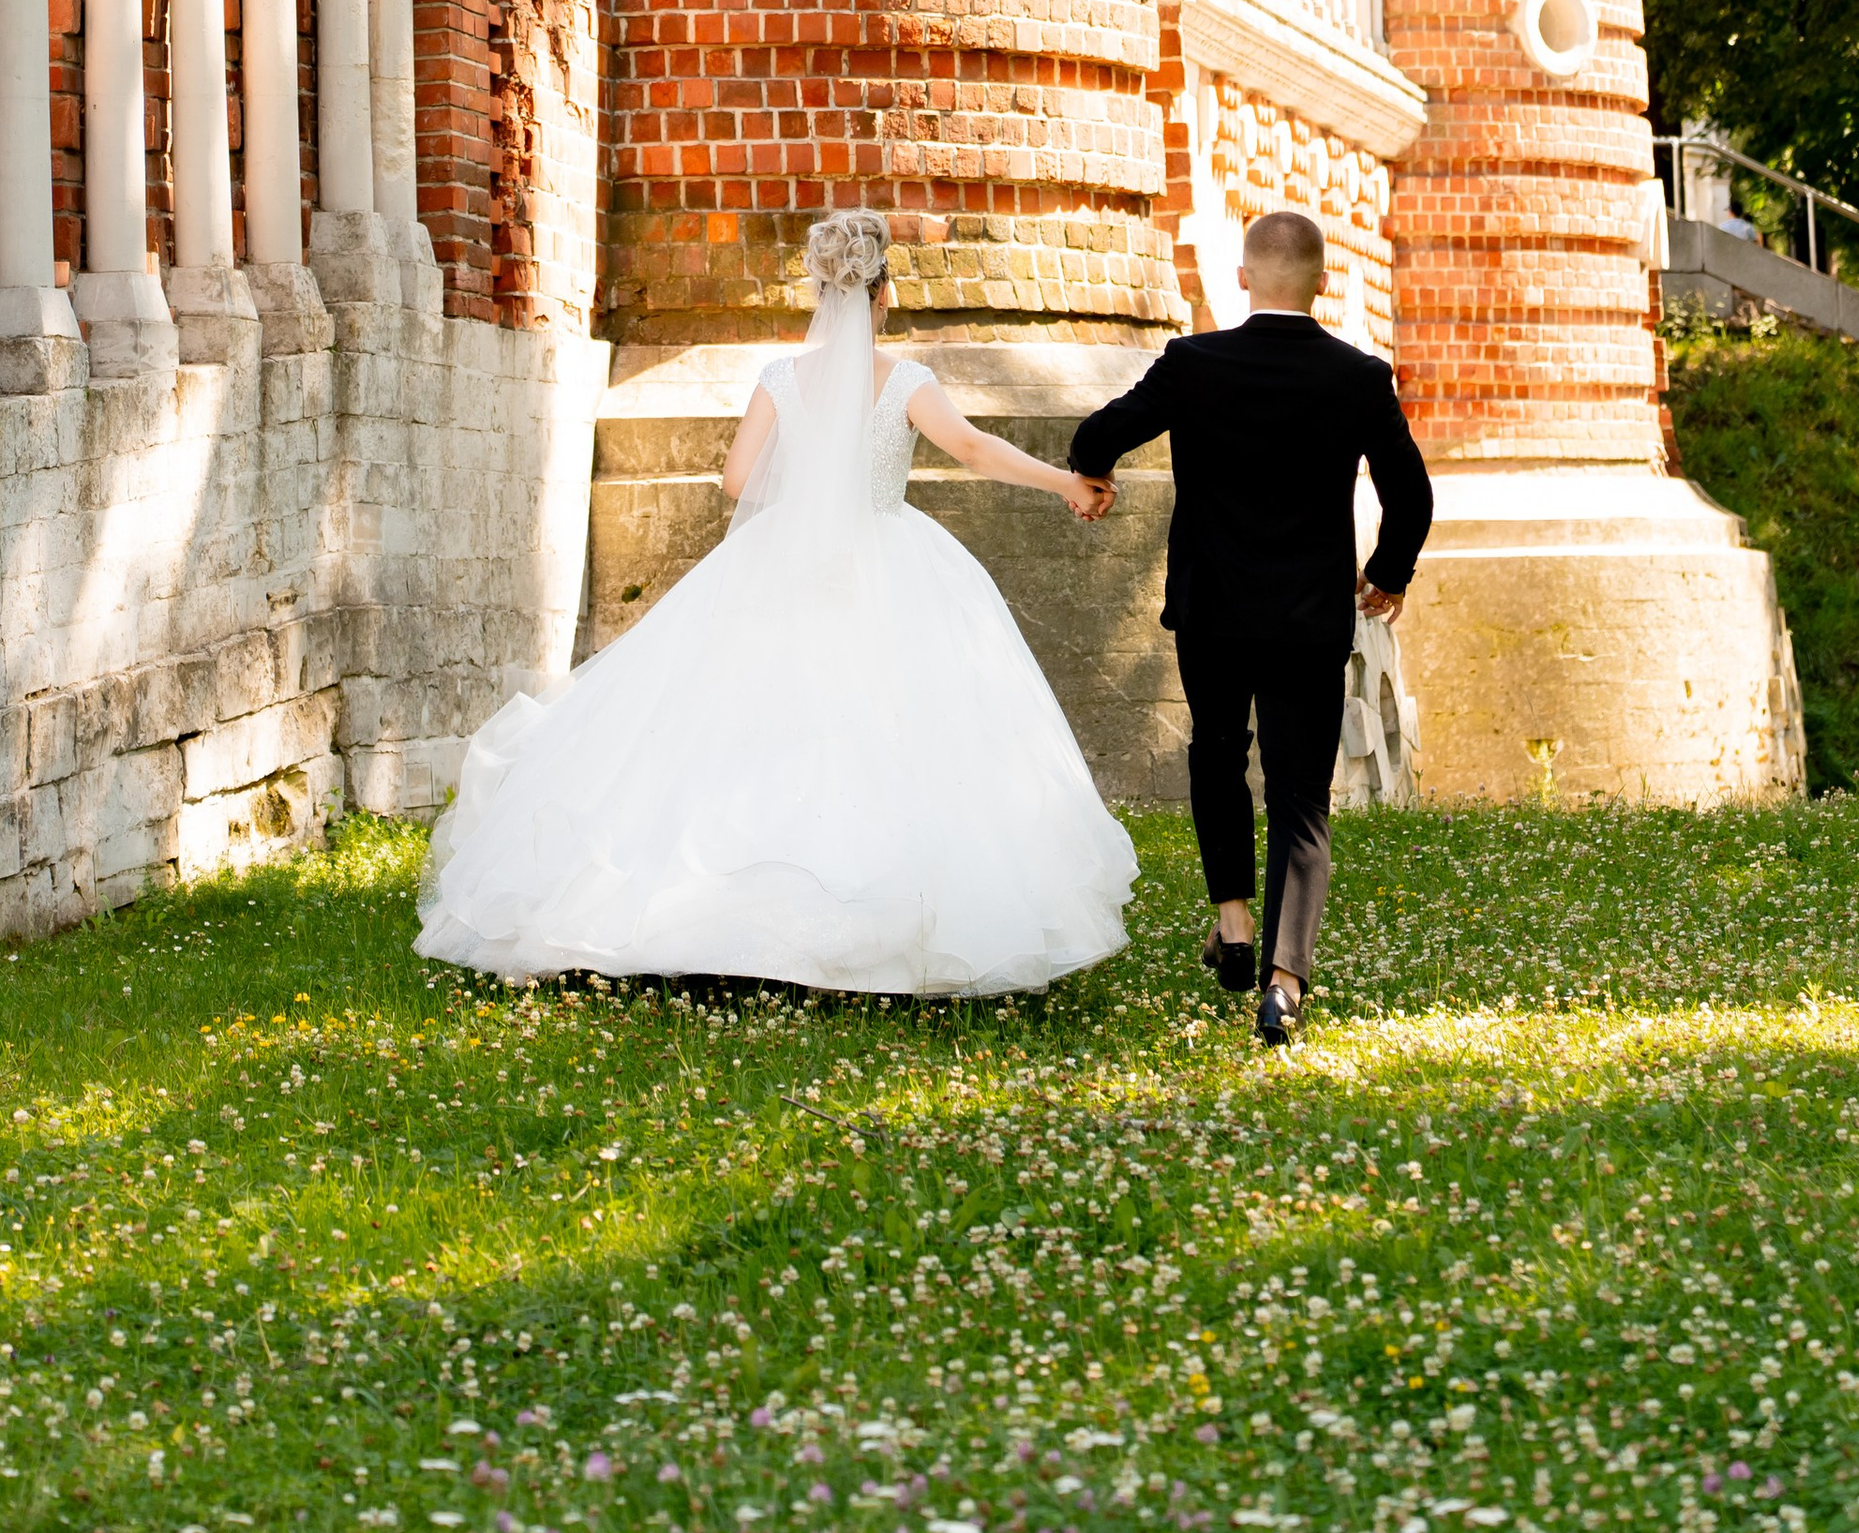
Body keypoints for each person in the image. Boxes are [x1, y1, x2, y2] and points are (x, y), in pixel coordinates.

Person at [417, 208, 1138, 995]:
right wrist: (1066, 480)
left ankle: (717, 916)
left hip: (781, 554)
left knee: (747, 724)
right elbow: (969, 446)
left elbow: (735, 480)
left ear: (820, 291)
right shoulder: (904, 380)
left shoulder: (780, 379)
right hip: (888, 549)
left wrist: (808, 488)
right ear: (882, 292)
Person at [1067, 208, 1430, 1049]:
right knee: (1302, 793)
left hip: (1213, 608)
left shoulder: (1193, 364)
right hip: (1308, 614)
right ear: (1322, 282)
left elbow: (1100, 433)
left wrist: (1091, 476)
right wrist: (1388, 574)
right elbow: (1411, 495)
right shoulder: (1358, 377)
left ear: (1241, 279)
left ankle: (1233, 924)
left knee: (1217, 753)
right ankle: (1284, 981)